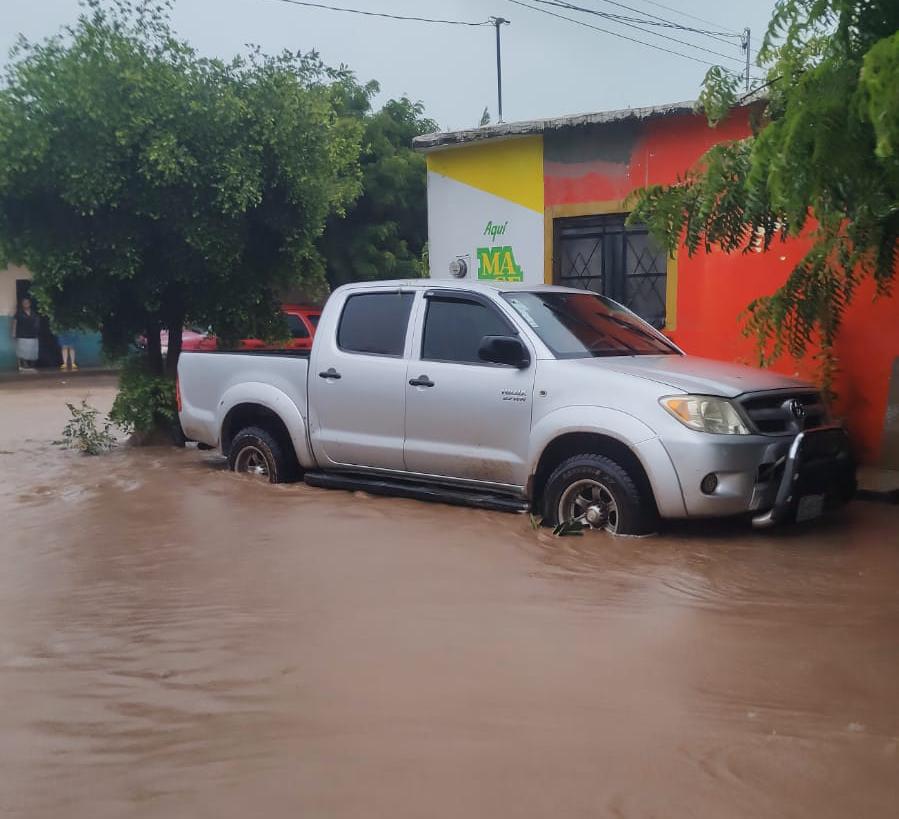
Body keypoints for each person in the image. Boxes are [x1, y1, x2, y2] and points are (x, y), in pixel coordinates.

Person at [11, 297, 40, 373]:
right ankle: (25, 366)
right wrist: (13, 333)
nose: (26, 304)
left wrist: (37, 332)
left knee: (32, 352)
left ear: (30, 304)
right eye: (24, 302)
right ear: (22, 304)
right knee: (22, 351)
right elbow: (14, 323)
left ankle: (31, 366)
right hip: (22, 335)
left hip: (33, 335)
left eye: (27, 302)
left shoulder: (34, 313)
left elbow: (37, 323)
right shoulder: (19, 313)